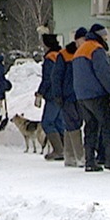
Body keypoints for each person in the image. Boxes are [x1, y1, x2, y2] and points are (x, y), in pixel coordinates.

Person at [72, 24, 110, 173]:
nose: (106, 39)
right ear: (100, 36)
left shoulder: (80, 50)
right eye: (105, 36)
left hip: (82, 96)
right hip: (97, 95)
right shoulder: (96, 49)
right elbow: (104, 73)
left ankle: (90, 160)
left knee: (90, 127)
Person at [52, 26, 86, 167]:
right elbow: (56, 76)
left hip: (80, 94)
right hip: (68, 95)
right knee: (74, 123)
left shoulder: (84, 53)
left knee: (71, 124)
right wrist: (58, 94)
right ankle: (79, 156)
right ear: (77, 40)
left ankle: (69, 155)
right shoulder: (64, 54)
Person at [36, 28, 65, 161]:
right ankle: (65, 149)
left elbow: (48, 78)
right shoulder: (61, 54)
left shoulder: (49, 58)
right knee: (59, 122)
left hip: (52, 94)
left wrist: (40, 92)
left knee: (47, 122)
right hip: (62, 93)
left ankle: (59, 150)